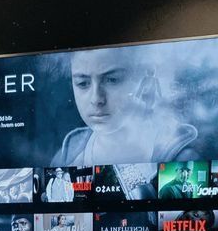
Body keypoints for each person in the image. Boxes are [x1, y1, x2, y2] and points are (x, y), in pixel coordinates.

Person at [52, 47, 198, 166]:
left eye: (112, 80)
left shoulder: (183, 158)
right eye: (82, 83)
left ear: (142, 77)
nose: (96, 99)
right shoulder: (65, 157)